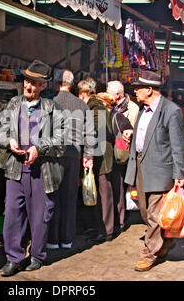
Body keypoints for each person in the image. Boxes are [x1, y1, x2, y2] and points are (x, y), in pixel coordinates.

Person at [0, 60, 65, 277]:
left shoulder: (53, 109)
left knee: (39, 216)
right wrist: (9, 141)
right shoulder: (13, 105)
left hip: (41, 171)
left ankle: (36, 255)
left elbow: (60, 141)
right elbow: (0, 131)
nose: (29, 86)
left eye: (34, 83)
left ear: (43, 86)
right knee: (12, 214)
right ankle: (13, 258)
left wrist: (39, 148)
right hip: (15, 169)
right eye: (27, 81)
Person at [124, 70, 184, 272]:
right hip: (141, 166)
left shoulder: (171, 111)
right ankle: (166, 243)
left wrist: (179, 174)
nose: (135, 91)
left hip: (161, 170)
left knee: (153, 214)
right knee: (144, 210)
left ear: (149, 90)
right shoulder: (143, 110)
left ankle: (149, 253)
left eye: (138, 88)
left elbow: (178, 146)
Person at [47, 70, 94, 250]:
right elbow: (89, 134)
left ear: (56, 81)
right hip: (74, 155)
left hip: (53, 155)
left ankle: (52, 239)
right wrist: (88, 157)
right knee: (69, 197)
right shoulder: (82, 105)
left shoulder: (50, 102)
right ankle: (66, 239)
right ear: (72, 84)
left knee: (53, 195)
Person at [77, 78, 116, 243]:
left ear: (82, 94)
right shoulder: (93, 108)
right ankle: (97, 228)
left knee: (103, 195)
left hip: (101, 160)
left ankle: (106, 231)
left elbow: (95, 135)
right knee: (96, 195)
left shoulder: (97, 108)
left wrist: (88, 156)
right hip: (96, 158)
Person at [96, 92, 133, 236]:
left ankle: (113, 226)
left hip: (115, 160)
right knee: (116, 192)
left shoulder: (116, 116)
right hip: (113, 160)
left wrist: (129, 132)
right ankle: (119, 223)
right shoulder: (114, 115)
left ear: (105, 103)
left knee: (112, 193)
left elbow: (129, 130)